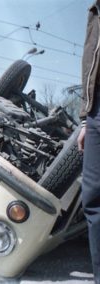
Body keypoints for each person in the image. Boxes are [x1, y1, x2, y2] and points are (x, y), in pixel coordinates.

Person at [77, 2, 100, 283]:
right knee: (93, 200)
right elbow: (90, 62)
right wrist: (85, 118)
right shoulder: (95, 10)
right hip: (97, 112)